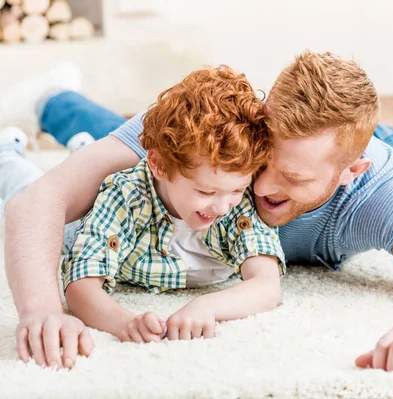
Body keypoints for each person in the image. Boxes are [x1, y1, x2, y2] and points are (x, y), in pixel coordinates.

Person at [1, 53, 393, 372]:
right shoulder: (232, 138)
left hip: (391, 151)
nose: (261, 184)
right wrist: (41, 311)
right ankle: (55, 97)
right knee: (127, 143)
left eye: (291, 178)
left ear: (351, 173)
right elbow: (39, 201)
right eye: (264, 160)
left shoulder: (378, 187)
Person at [60, 66, 285, 343]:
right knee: (30, 204)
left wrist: (207, 306)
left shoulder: (238, 201)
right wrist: (124, 323)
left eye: (237, 190)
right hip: (80, 229)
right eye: (205, 191)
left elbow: (266, 286)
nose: (223, 207)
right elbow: (80, 284)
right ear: (159, 165)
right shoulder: (124, 194)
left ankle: (80, 147)